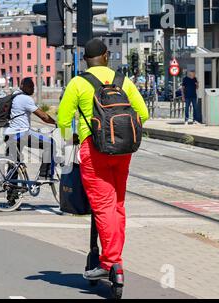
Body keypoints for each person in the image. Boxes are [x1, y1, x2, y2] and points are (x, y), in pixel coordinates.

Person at [58, 38, 149, 280]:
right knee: (117, 205)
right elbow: (144, 113)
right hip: (123, 151)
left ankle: (111, 264)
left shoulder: (78, 83)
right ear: (107, 56)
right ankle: (115, 256)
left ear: (86, 60)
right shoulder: (123, 81)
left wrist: (72, 140)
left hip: (94, 150)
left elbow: (63, 121)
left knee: (102, 206)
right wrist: (123, 133)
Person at [4, 78, 57, 203]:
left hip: (9, 135)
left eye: (33, 87)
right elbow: (43, 116)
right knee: (50, 143)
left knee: (14, 165)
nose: (33, 89)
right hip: (21, 134)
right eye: (31, 87)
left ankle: (11, 200)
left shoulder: (14, 96)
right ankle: (44, 174)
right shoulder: (25, 99)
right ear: (24, 86)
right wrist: (56, 122)